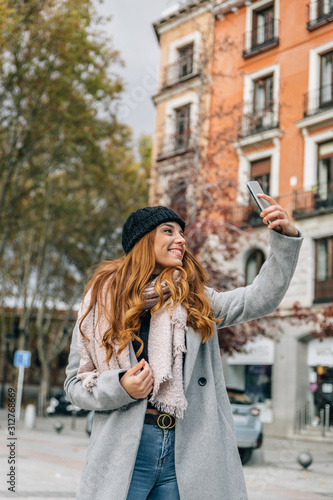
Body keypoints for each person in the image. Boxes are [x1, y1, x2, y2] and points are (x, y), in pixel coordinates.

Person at [64, 196, 303, 500]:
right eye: (169, 231)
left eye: (181, 232)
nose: (180, 239)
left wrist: (285, 240)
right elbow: (74, 384)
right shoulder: (100, 304)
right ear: (143, 240)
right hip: (126, 451)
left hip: (188, 452)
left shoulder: (195, 299)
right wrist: (121, 387)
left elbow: (258, 298)